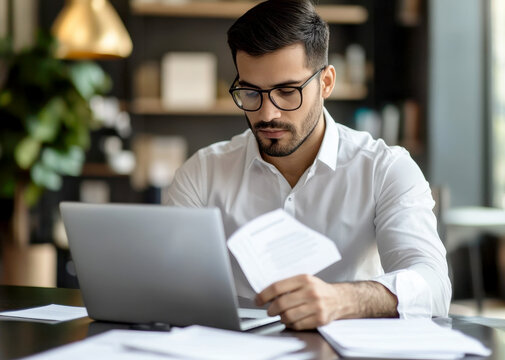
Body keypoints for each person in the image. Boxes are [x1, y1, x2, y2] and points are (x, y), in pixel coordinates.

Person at [167, 0, 451, 330]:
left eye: (287, 91)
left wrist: (344, 300)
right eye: (250, 92)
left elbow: (434, 287)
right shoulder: (202, 172)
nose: (267, 113)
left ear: (326, 83)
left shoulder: (385, 169)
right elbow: (167, 280)